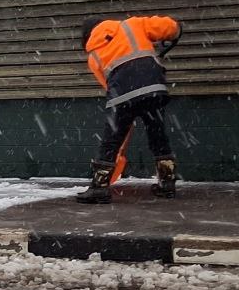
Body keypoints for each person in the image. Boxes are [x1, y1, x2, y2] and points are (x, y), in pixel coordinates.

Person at [75, 15, 182, 204]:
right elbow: (168, 27)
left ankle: (99, 187)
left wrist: (123, 121)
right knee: (157, 135)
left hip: (122, 94)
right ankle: (167, 184)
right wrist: (176, 28)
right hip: (153, 86)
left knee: (111, 141)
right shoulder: (133, 24)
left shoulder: (93, 57)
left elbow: (109, 87)